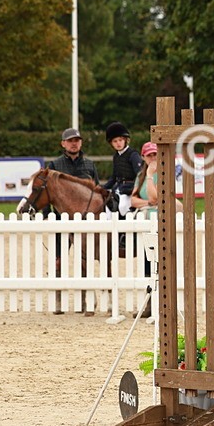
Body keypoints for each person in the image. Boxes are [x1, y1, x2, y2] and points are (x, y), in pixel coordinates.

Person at [47, 128, 100, 315]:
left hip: (85, 222)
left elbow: (96, 191)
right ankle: (58, 300)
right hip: (62, 221)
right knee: (58, 261)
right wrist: (48, 216)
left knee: (84, 261)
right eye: (70, 141)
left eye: (77, 140)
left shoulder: (89, 165)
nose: (74, 143)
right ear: (63, 143)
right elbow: (47, 193)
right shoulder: (54, 165)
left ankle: (85, 300)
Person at [103, 122, 144, 256]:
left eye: (120, 140)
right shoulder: (116, 157)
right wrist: (102, 188)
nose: (118, 143)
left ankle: (126, 237)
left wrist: (135, 190)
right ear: (111, 143)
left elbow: (140, 174)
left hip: (130, 188)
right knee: (107, 207)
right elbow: (114, 177)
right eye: (115, 141)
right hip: (118, 188)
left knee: (122, 206)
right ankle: (111, 235)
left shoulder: (133, 155)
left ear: (125, 140)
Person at [130, 142, 160, 319]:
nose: (153, 158)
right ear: (143, 157)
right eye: (149, 155)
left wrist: (150, 175)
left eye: (155, 154)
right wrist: (148, 203)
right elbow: (134, 200)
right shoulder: (141, 175)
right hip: (145, 222)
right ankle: (149, 302)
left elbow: (155, 197)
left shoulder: (160, 174)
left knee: (159, 262)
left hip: (158, 222)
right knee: (146, 264)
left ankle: (157, 303)